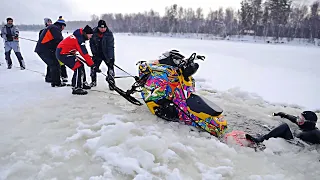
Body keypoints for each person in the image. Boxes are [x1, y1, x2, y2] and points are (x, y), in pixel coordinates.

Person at [56, 25, 94, 95]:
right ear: (86, 34)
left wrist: (89, 61)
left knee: (80, 64)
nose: (91, 37)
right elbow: (84, 53)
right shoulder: (79, 39)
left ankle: (81, 83)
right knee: (78, 66)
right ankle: (77, 88)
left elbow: (82, 52)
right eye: (90, 35)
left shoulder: (79, 36)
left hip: (66, 52)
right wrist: (92, 64)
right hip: (63, 53)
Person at [246, 111, 320, 144]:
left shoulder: (315, 133)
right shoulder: (305, 125)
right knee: (277, 126)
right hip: (295, 138)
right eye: (299, 117)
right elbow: (293, 118)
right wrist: (284, 114)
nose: (298, 120)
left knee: (285, 127)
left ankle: (260, 140)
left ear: (308, 122)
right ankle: (261, 135)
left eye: (301, 119)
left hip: (297, 145)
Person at [35, 16, 66, 87]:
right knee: (55, 64)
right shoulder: (55, 28)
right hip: (44, 50)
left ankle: (50, 78)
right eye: (63, 26)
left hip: (45, 49)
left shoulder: (53, 28)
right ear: (61, 25)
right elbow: (59, 41)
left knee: (52, 63)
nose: (64, 28)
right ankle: (56, 83)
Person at [89, 20, 115, 90]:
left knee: (111, 67)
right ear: (98, 27)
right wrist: (94, 53)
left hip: (106, 53)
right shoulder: (93, 32)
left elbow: (110, 46)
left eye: (104, 28)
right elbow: (91, 44)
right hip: (97, 54)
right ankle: (93, 81)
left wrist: (111, 57)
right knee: (93, 67)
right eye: (101, 28)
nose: (103, 29)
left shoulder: (109, 34)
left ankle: (111, 83)